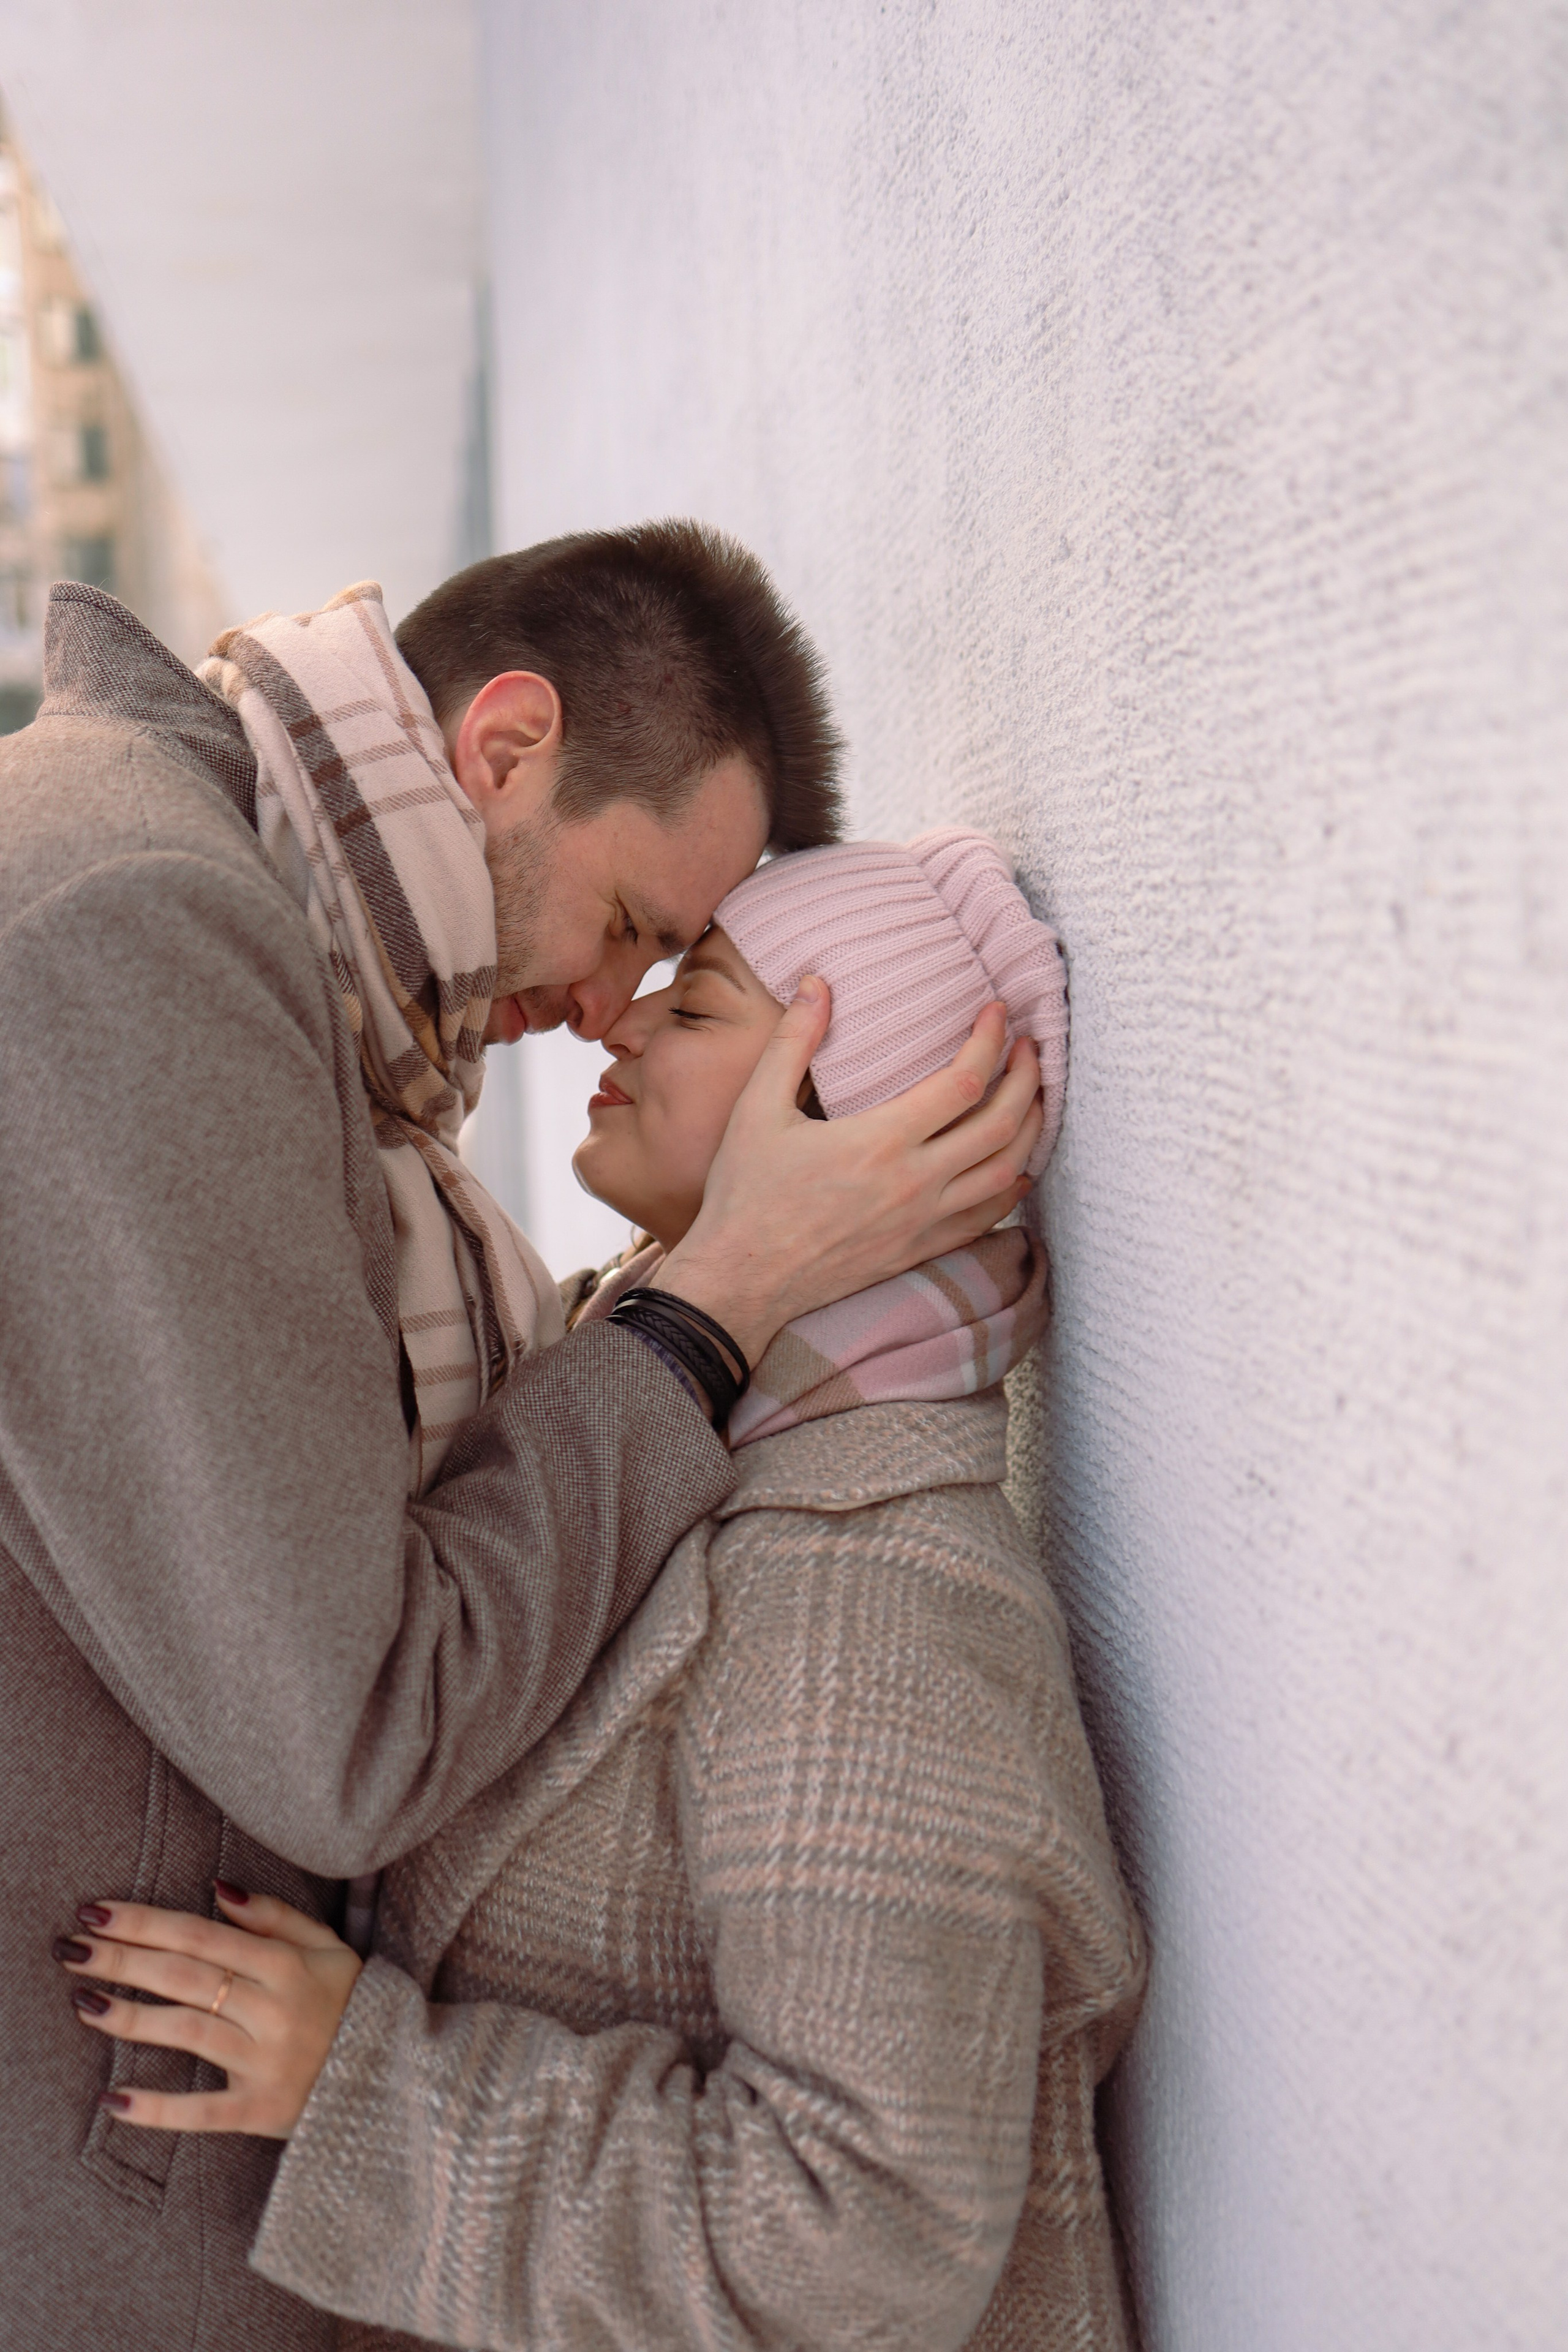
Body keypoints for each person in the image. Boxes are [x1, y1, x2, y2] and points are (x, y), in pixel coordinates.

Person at [2, 522, 1042, 2351]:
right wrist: (706, 1297)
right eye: (635, 926)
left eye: (674, 976)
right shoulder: (137, 925)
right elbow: (353, 1724)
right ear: (504, 749)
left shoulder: (866, 1581)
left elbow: (869, 2216)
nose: (595, 1013)